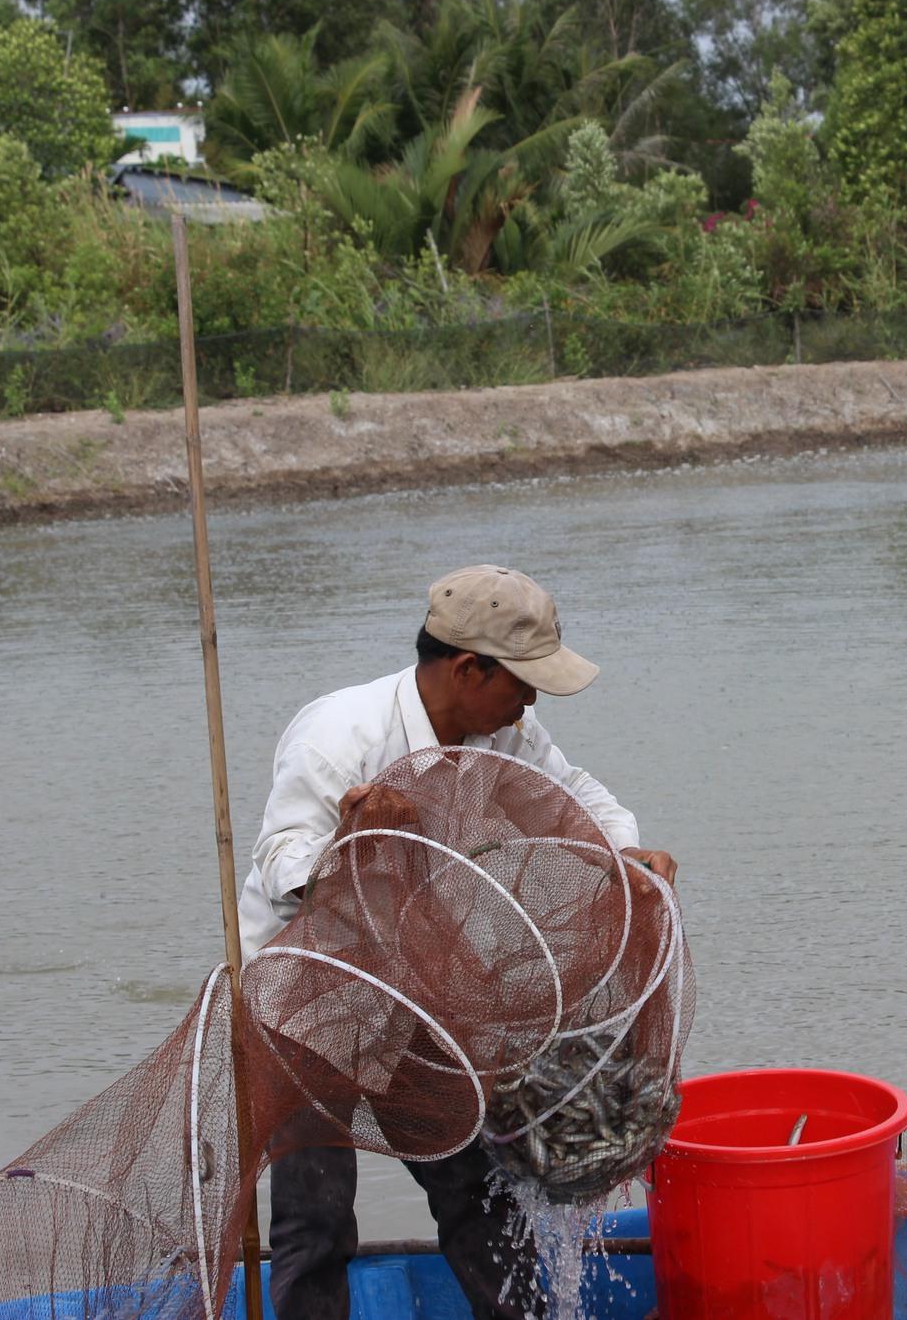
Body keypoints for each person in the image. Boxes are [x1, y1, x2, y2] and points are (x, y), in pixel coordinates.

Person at [237, 564, 676, 1320]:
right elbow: (283, 867)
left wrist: (627, 854)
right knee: (316, 1220)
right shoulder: (339, 736)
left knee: (478, 1186)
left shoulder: (501, 730)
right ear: (468, 667)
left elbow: (577, 799)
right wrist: (356, 839)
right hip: (312, 1002)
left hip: (417, 993)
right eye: (522, 682)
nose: (531, 701)